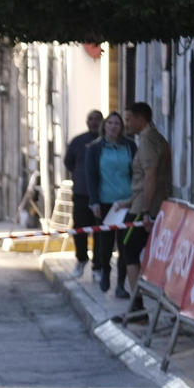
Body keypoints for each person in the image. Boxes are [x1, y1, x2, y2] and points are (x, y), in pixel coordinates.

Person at [115, 101, 172, 298]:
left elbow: (150, 176)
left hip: (145, 208)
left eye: (129, 120)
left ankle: (137, 305)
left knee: (129, 250)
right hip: (141, 202)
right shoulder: (153, 138)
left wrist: (145, 210)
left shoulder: (148, 140)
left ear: (140, 119)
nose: (126, 124)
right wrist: (130, 200)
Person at [83, 112, 136, 295]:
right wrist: (94, 201)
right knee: (105, 244)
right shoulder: (95, 148)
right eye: (110, 123)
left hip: (126, 203)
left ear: (121, 127)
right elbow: (90, 176)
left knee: (124, 245)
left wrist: (135, 198)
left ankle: (121, 284)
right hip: (105, 203)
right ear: (104, 126)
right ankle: (105, 270)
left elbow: (137, 173)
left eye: (117, 124)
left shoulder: (129, 146)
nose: (113, 127)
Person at [65, 109, 104, 278]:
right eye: (91, 119)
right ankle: (81, 259)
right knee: (79, 229)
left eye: (97, 119)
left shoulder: (106, 142)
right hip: (81, 193)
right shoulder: (77, 141)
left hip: (102, 195)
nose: (94, 122)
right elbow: (69, 163)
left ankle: (98, 266)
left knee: (100, 231)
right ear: (87, 122)